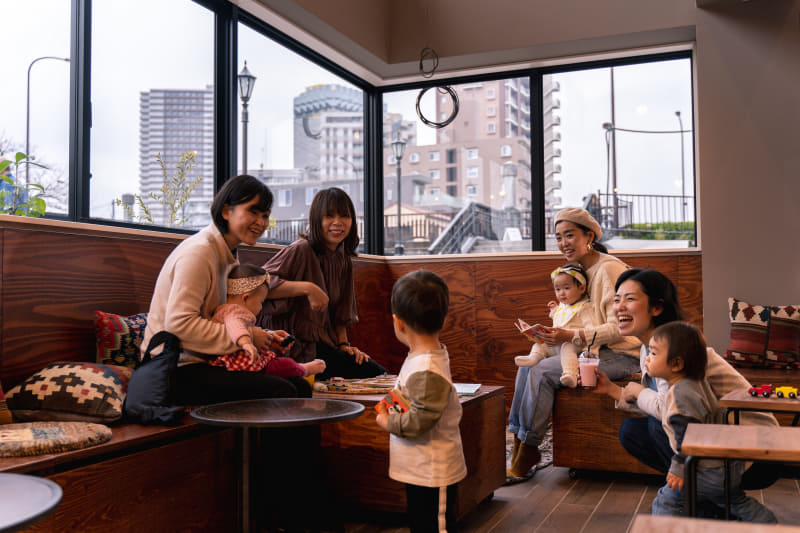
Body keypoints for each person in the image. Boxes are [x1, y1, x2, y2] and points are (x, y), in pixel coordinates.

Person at [594, 268, 781, 490]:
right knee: (633, 431)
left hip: (757, 452)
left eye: (630, 299)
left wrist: (639, 391)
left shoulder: (677, 350)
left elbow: (674, 408)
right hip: (721, 436)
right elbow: (670, 404)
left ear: (657, 307)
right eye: (617, 300)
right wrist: (613, 390)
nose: (619, 307)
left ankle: (704, 496)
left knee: (659, 426)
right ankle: (703, 496)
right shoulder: (649, 348)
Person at [142, 174, 311, 405]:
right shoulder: (199, 253)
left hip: (206, 362)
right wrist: (248, 336)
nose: (261, 223)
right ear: (225, 211)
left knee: (299, 385)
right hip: (172, 368)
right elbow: (179, 325)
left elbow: (226, 317)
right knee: (282, 391)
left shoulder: (228, 255)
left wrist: (263, 337)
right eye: (253, 212)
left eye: (265, 216)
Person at [506, 208, 641, 481]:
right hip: (596, 350)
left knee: (542, 371)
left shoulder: (608, 269)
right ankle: (519, 442)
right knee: (527, 367)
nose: (563, 243)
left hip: (623, 354)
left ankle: (530, 448)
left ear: (588, 236)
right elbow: (586, 312)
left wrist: (569, 336)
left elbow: (622, 327)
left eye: (569, 235)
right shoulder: (583, 269)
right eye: (558, 237)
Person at [646, 321, 776, 522]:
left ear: (677, 363)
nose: (648, 358)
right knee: (734, 501)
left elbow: (688, 435)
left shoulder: (680, 393)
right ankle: (767, 522)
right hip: (725, 465)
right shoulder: (698, 383)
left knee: (666, 501)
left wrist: (679, 467)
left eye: (653, 354)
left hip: (707, 469)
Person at [258, 187, 387, 380]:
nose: (337, 222)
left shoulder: (343, 258)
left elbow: (341, 314)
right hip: (290, 348)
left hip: (322, 347)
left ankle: (391, 411)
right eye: (329, 216)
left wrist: (345, 347)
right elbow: (258, 285)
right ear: (317, 220)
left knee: (381, 376)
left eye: (344, 215)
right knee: (376, 376)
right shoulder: (301, 249)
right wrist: (307, 288)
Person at [375, 270, 466, 533]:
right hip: (419, 467)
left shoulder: (426, 367)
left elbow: (419, 421)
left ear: (398, 323)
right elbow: (409, 396)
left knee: (434, 527)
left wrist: (386, 420)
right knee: (420, 523)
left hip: (433, 471)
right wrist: (390, 403)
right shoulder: (420, 355)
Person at [209, 263, 326, 378]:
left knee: (279, 364)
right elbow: (236, 326)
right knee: (283, 365)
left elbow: (241, 327)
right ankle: (304, 369)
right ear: (246, 298)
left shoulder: (226, 309)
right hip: (240, 363)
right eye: (261, 302)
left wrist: (268, 335)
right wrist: (246, 343)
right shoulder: (235, 311)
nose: (261, 307)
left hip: (235, 359)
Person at [514, 263, 598, 388]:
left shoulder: (585, 307)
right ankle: (534, 357)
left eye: (567, 288)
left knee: (567, 347)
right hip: (556, 343)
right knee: (539, 344)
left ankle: (570, 374)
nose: (561, 293)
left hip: (575, 342)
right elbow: (562, 319)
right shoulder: (563, 306)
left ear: (581, 288)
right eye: (557, 289)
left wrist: (589, 350)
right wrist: (554, 310)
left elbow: (593, 330)